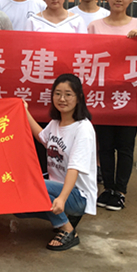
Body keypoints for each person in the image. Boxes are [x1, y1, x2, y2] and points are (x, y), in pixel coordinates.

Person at [87, 0, 137, 211]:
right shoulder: (95, 26)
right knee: (104, 145)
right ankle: (107, 188)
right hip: (102, 95)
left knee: (125, 145)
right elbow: (88, 56)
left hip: (129, 96)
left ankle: (120, 191)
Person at [18, 74, 97, 251]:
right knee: (19, 207)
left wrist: (62, 198)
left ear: (79, 97)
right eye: (58, 94)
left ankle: (68, 229)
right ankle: (65, 217)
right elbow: (43, 138)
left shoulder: (83, 129)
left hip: (77, 195)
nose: (62, 99)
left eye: (68, 94)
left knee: (32, 184)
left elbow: (74, 168)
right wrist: (24, 111)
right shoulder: (56, 123)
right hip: (57, 188)